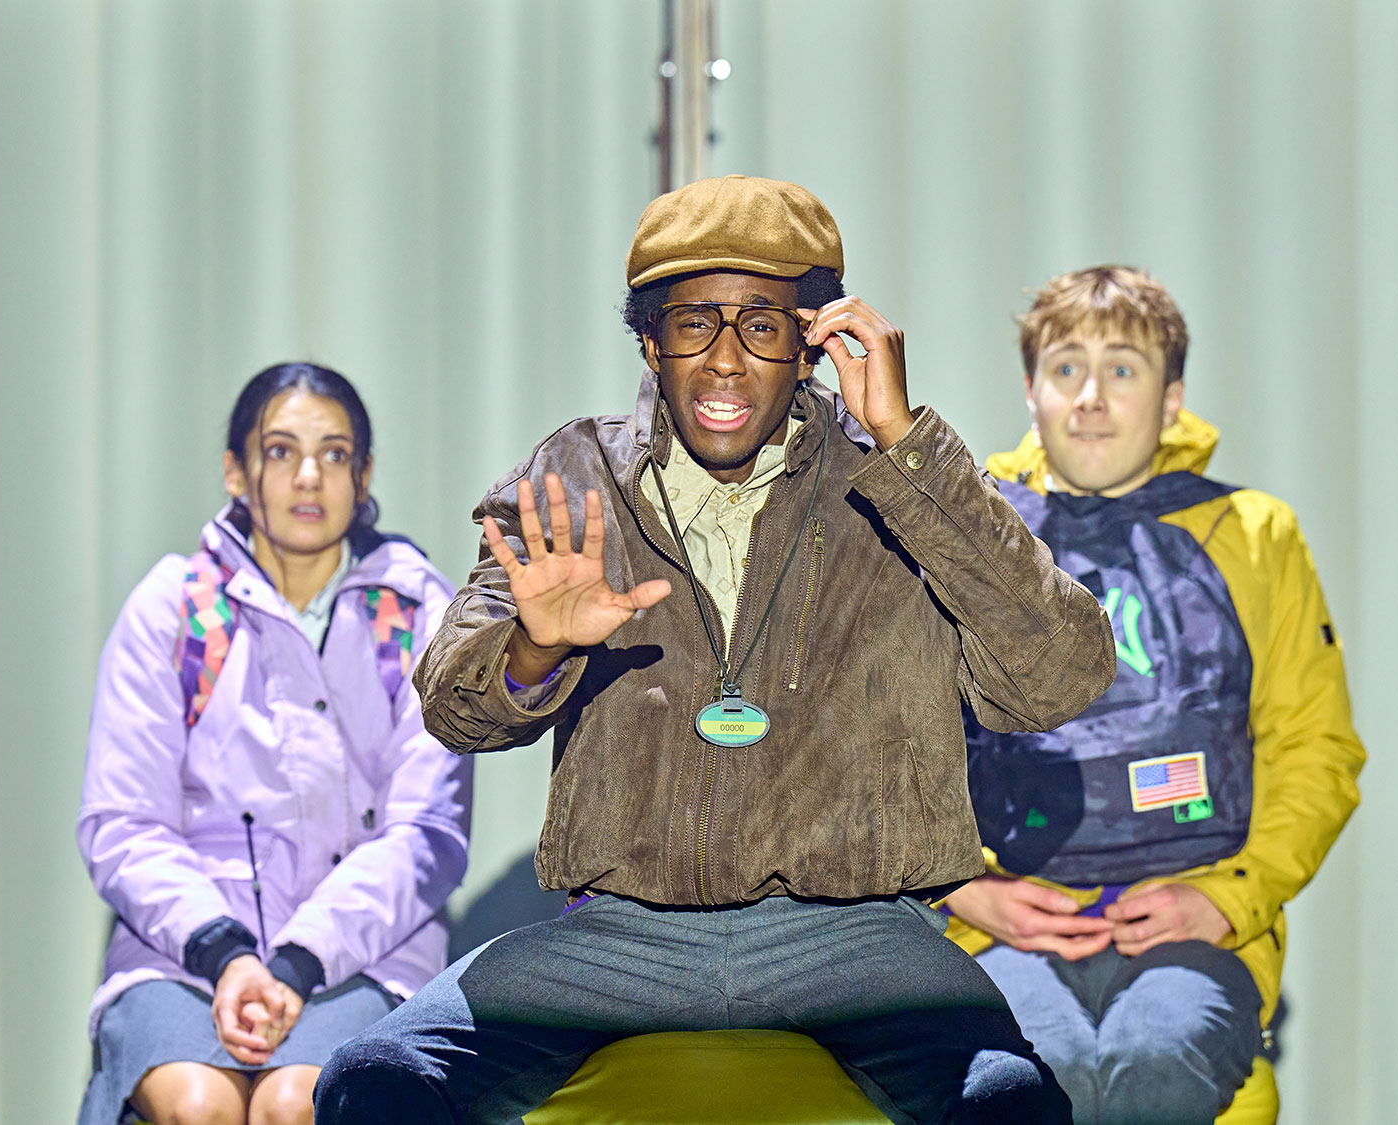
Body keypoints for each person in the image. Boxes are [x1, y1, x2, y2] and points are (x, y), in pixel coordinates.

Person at [313, 174, 1116, 1125]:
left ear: (817, 342)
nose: (727, 360)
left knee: (1011, 1104)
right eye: (695, 322)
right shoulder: (579, 476)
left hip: (857, 936)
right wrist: (532, 646)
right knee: (374, 1082)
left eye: (765, 325)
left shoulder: (895, 478)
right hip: (624, 938)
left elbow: (1061, 676)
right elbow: (451, 704)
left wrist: (909, 442)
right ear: (651, 340)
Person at [943, 265, 1367, 1123]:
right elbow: (890, 745)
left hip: (1195, 926)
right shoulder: (965, 533)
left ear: (1173, 398)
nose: (1091, 397)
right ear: (1031, 391)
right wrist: (962, 890)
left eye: (1124, 369)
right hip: (1011, 927)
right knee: (1035, 1075)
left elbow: (1314, 749)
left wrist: (1226, 898)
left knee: (1156, 1055)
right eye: (1066, 368)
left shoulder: (1254, 535)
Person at [77, 363, 473, 1125]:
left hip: (365, 954)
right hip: (183, 951)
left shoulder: (422, 612)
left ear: (363, 476)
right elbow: (122, 822)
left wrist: (298, 959)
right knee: (197, 1102)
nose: (308, 477)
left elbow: (426, 835)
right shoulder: (173, 607)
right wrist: (227, 953)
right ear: (236, 470)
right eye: (281, 450)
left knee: (299, 1101)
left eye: (333, 454)